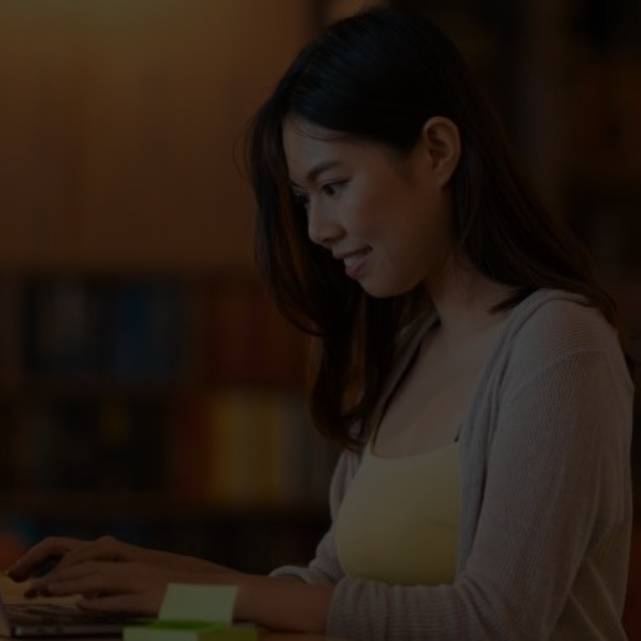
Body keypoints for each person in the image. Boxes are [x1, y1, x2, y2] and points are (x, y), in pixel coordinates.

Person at [6, 5, 638, 640]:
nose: (317, 229)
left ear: (437, 151)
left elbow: (496, 621)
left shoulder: (560, 345)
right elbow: (327, 592)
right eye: (306, 200)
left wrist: (217, 590)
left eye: (333, 185)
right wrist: (158, 589)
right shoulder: (410, 352)